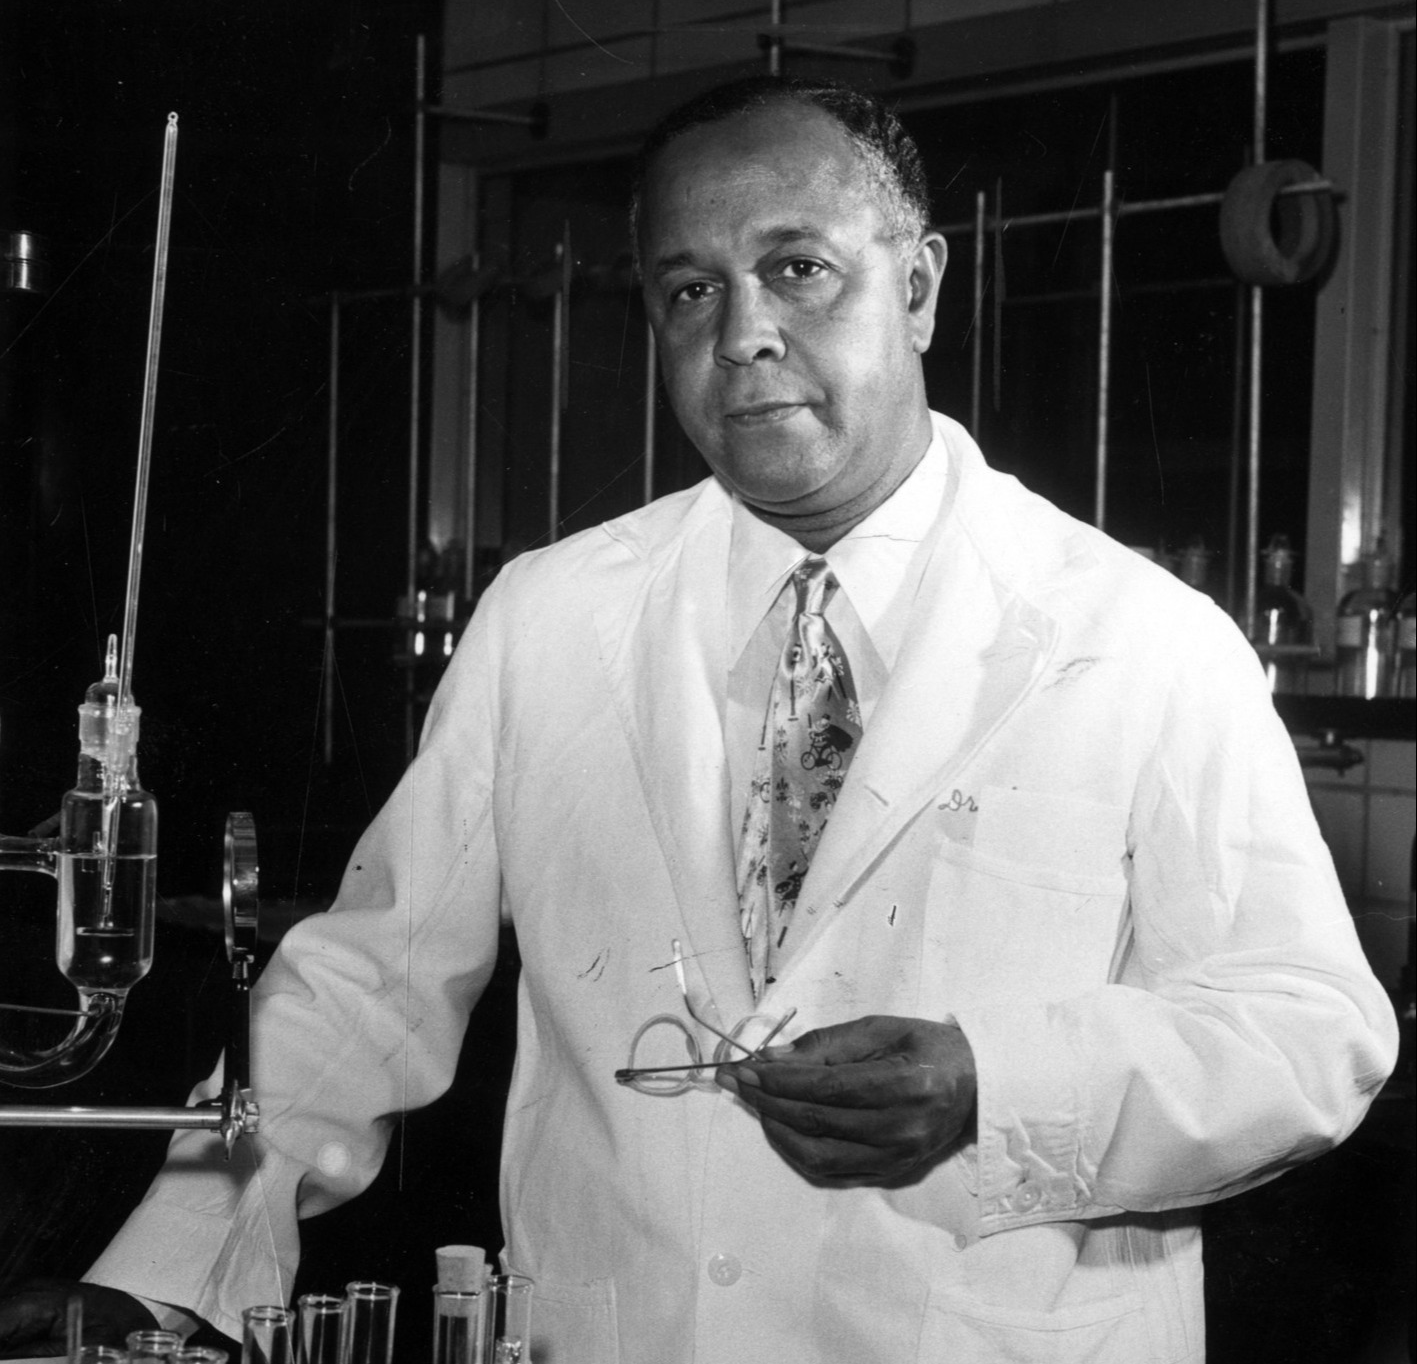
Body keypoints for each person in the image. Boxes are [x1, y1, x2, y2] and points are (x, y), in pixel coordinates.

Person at [0, 76, 1396, 1363]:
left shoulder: (1136, 637)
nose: (744, 337)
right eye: (687, 291)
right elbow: (367, 982)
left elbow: (1308, 1027)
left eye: (797, 267)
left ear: (915, 287)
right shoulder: (552, 617)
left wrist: (996, 1083)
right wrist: (163, 1276)